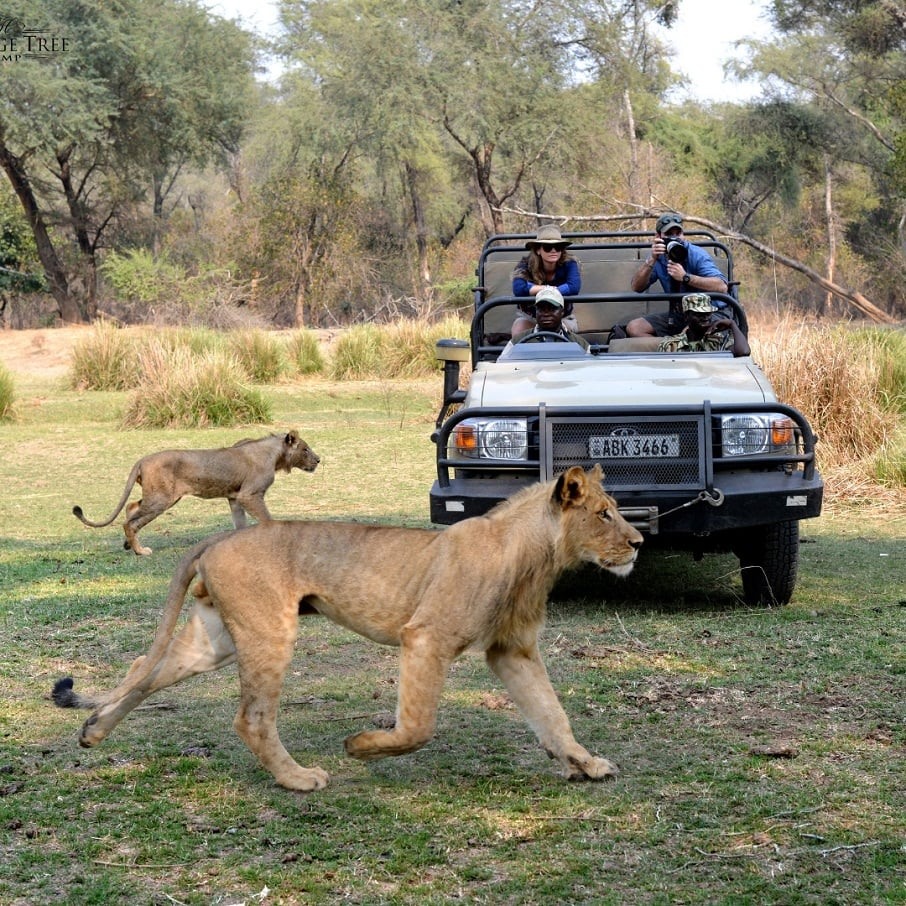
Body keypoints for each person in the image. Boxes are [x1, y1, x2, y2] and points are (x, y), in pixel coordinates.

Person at [626, 213, 729, 337]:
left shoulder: (696, 254)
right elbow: (636, 287)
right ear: (658, 236)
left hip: (710, 312)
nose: (674, 238)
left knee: (689, 333)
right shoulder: (657, 257)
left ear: (683, 235)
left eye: (678, 233)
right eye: (669, 234)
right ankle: (668, 349)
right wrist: (651, 260)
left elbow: (722, 286)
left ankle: (681, 344)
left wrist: (686, 277)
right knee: (635, 328)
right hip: (681, 314)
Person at [511, 224, 581, 337]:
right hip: (532, 318)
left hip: (562, 317)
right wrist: (548, 289)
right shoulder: (525, 265)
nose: (553, 251)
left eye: (558, 247)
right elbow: (519, 289)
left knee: (564, 332)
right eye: (548, 248)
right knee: (519, 330)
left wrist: (534, 289)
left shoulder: (570, 264)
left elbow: (573, 287)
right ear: (538, 250)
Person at [500, 286, 589, 357]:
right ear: (535, 312)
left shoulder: (578, 343)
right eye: (541, 309)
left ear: (562, 312)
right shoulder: (518, 341)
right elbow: (503, 366)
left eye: (552, 309)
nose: (546, 314)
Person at [658, 293, 750, 357]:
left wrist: (732, 324)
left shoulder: (718, 341)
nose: (705, 318)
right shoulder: (671, 344)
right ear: (686, 316)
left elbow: (744, 352)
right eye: (699, 314)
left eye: (708, 313)